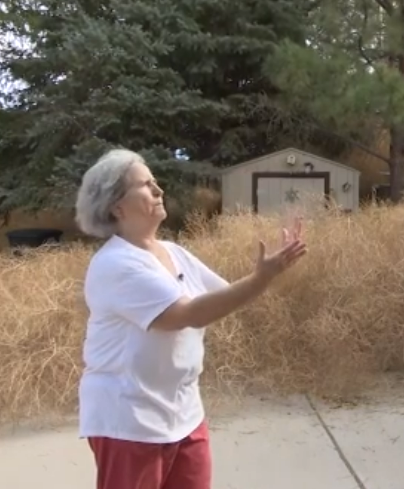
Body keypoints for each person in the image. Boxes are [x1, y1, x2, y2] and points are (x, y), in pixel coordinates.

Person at [74, 148, 307, 489]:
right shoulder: (116, 264)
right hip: (129, 421)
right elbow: (186, 315)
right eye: (145, 185)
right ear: (116, 206)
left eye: (156, 182)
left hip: (184, 414)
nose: (159, 190)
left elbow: (222, 297)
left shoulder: (173, 252)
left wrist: (269, 271)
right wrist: (261, 278)